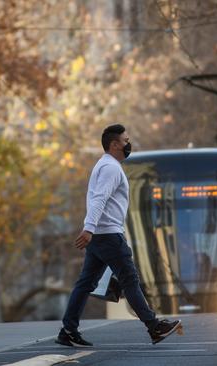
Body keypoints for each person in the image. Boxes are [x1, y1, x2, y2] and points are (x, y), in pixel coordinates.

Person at [56, 124, 181, 347]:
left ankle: (68, 330)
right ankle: (154, 327)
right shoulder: (111, 168)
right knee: (129, 280)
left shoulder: (103, 165)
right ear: (114, 144)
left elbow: (98, 198)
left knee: (86, 283)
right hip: (108, 235)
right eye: (125, 140)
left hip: (100, 236)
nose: (128, 144)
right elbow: (99, 199)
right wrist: (89, 228)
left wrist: (92, 230)